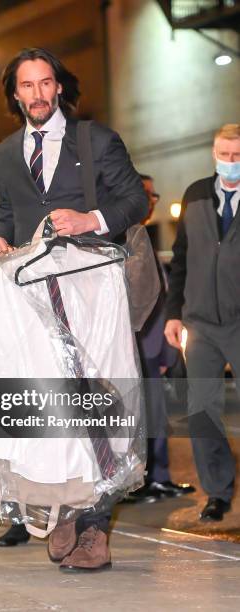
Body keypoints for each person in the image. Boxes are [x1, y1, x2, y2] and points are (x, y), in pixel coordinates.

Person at [0, 47, 148, 571]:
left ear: (59, 87)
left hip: (93, 289)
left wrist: (92, 217)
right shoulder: (6, 153)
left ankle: (96, 527)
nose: (37, 94)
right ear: (15, 93)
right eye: (26, 85)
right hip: (32, 294)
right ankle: (64, 510)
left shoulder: (95, 139)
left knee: (98, 396)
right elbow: (6, 213)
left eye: (45, 83)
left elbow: (135, 202)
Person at [165, 123, 240, 522]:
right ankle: (216, 491)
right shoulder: (195, 194)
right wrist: (174, 313)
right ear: (213, 153)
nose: (228, 163)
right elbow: (180, 260)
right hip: (201, 324)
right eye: (222, 155)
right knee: (203, 411)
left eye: (236, 156)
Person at [127, 174, 195, 503]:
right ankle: (143, 480)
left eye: (154, 196)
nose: (152, 201)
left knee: (156, 415)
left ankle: (159, 476)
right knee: (141, 417)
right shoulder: (124, 237)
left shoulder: (141, 237)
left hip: (154, 348)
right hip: (138, 347)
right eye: (148, 195)